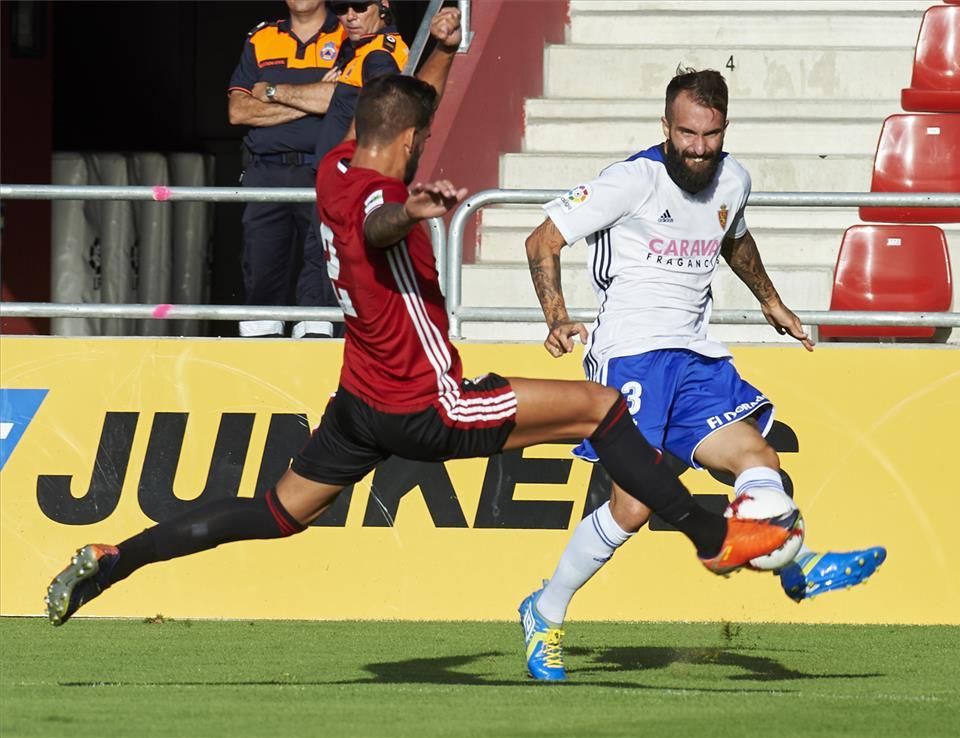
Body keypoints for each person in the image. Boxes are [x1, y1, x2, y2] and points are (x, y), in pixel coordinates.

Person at [43, 65, 796, 632]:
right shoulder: (378, 200)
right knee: (601, 409)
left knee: (278, 511)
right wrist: (413, 210)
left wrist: (434, 54)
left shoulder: (335, 171)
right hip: (426, 404)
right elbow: (379, 225)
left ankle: (119, 559)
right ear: (407, 144)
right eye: (421, 141)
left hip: (358, 406)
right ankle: (712, 536)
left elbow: (376, 117)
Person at [518, 67, 887, 681]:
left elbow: (733, 237)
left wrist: (771, 300)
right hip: (631, 355)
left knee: (760, 463)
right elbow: (541, 240)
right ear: (666, 126)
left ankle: (795, 570)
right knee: (633, 509)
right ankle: (544, 610)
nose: (697, 148)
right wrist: (556, 317)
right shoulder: (630, 180)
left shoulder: (732, 177)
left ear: (724, 129)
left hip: (696, 356)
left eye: (710, 135)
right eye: (686, 134)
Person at [228, 0, 346, 338]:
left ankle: (314, 354)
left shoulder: (347, 35)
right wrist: (313, 101)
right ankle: (258, 366)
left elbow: (344, 100)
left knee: (321, 276)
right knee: (261, 273)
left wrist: (271, 92)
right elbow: (238, 111)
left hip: (322, 172)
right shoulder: (261, 38)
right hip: (266, 173)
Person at [293, 0, 411, 339]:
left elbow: (382, 111)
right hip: (345, 180)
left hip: (346, 183)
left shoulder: (378, 54)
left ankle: (317, 341)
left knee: (325, 260)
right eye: (341, 7)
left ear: (383, 7)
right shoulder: (360, 51)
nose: (350, 16)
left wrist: (344, 164)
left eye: (359, 6)